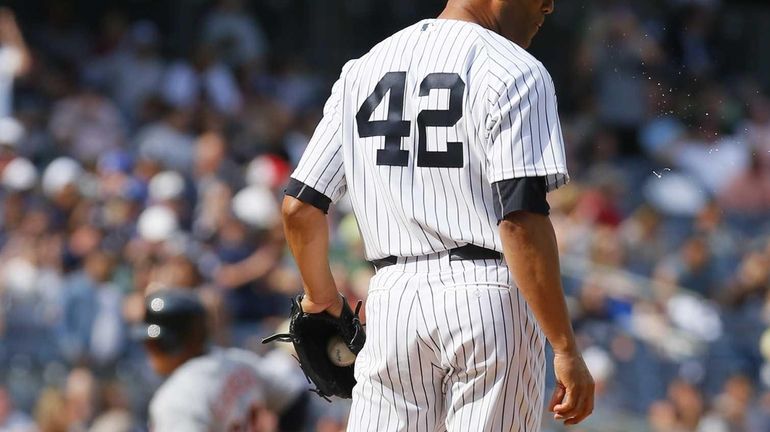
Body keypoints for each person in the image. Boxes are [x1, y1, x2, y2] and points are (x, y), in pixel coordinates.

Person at [281, 0, 594, 430]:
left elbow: (300, 206)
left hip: (391, 301)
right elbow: (520, 222)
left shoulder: (363, 69)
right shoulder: (515, 68)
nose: (549, 5)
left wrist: (322, 299)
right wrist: (565, 347)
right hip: (488, 298)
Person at [135, 289, 309, 431]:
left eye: (154, 344)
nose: (148, 350)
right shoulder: (237, 361)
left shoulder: (175, 400)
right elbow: (294, 396)